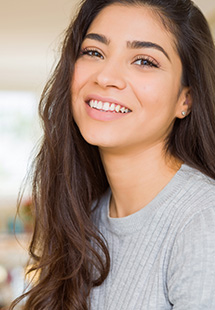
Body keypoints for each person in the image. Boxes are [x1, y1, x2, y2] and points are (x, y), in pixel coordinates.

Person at [10, 0, 215, 309]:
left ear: (185, 99)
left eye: (145, 61)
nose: (106, 77)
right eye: (94, 52)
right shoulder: (85, 216)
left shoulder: (202, 220)